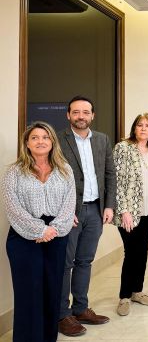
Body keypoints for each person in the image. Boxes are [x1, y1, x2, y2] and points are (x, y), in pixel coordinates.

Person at [3, 122, 76, 342]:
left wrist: (54, 229)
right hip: (22, 237)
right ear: (27, 143)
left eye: (45, 137)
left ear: (52, 142)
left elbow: (69, 203)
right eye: (34, 137)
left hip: (56, 235)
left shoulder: (65, 169)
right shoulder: (14, 172)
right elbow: (12, 206)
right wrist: (39, 229)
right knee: (29, 292)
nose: (40, 141)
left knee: (52, 289)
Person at [57, 96, 116, 337]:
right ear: (68, 115)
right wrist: (63, 211)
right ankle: (62, 314)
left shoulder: (102, 139)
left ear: (92, 115)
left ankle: (80, 309)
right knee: (65, 264)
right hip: (70, 213)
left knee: (85, 261)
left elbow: (110, 174)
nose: (81, 116)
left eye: (85, 112)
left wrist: (109, 206)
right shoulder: (57, 140)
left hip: (95, 210)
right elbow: (52, 177)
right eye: (76, 112)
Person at [113, 113, 148, 316]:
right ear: (134, 128)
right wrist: (124, 210)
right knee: (131, 252)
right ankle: (124, 296)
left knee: (142, 251)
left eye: (147, 126)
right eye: (140, 125)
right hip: (130, 211)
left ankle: (137, 291)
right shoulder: (123, 148)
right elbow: (116, 181)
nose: (143, 128)